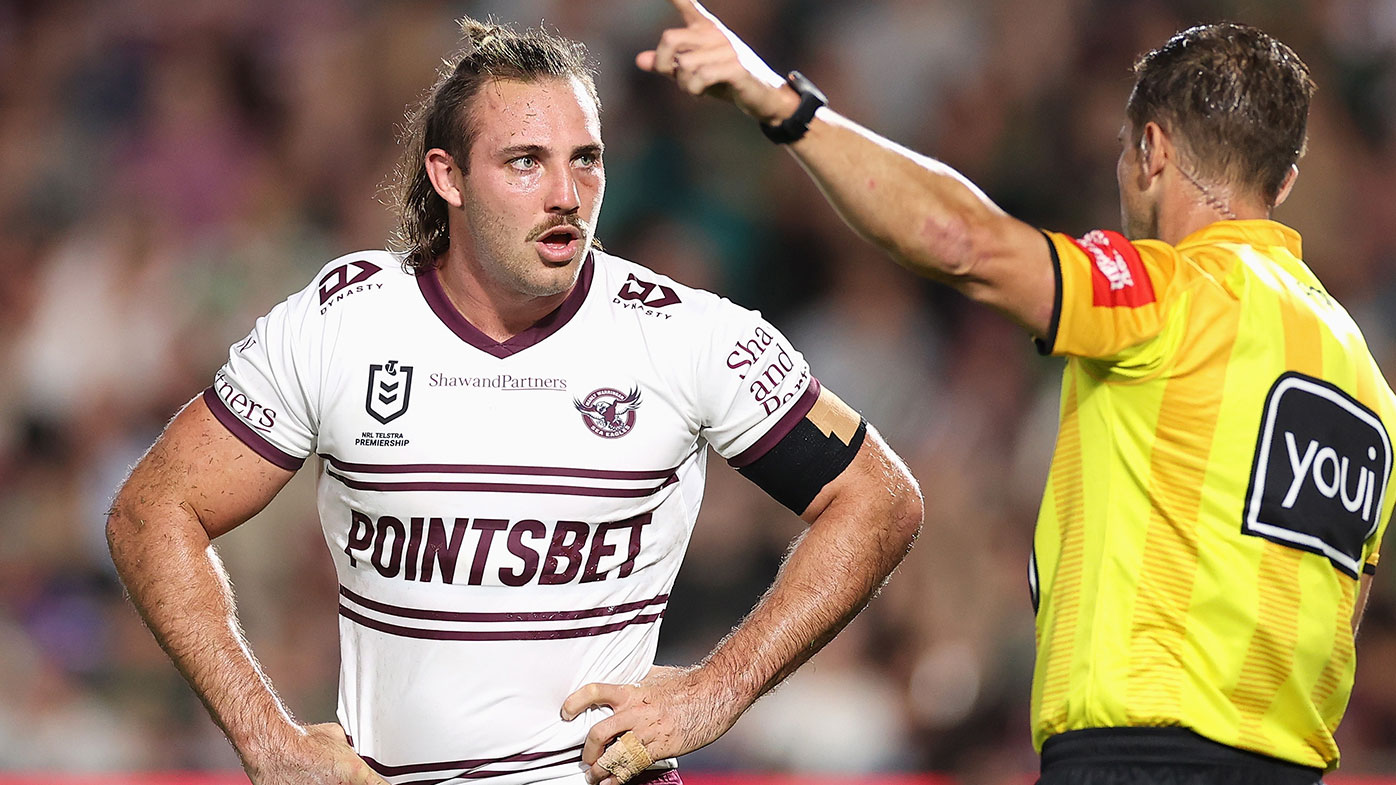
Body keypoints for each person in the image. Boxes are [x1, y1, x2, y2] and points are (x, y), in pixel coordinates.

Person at [104, 16, 923, 785]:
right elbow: (152, 510)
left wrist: (720, 687)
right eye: (526, 161)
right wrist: (267, 741)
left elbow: (878, 497)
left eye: (587, 158)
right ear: (447, 176)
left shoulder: (685, 334)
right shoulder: (343, 322)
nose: (566, 192)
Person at [628, 2, 1396, 784]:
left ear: (1151, 151)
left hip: (1138, 759)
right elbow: (1347, 609)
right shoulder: (1367, 382)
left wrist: (783, 105)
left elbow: (962, 243)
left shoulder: (1173, 292)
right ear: (1285, 179)